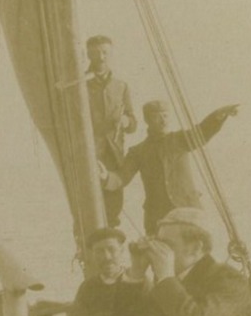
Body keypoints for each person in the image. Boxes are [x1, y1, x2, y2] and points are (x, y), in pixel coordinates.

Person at [102, 100, 239, 235]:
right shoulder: (138, 151)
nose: (163, 120)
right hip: (158, 218)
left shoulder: (180, 139)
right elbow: (121, 178)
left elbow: (202, 132)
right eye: (157, 116)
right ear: (147, 119)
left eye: (166, 115)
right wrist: (105, 176)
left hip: (189, 212)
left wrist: (218, 115)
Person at [50, 227, 162, 316]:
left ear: (121, 251)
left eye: (111, 249)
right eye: (99, 251)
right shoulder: (88, 287)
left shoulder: (140, 283)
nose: (107, 257)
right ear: (92, 254)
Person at [85, 35, 137, 227]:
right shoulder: (81, 84)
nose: (101, 57)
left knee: (113, 208)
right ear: (88, 55)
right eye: (96, 52)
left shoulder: (121, 86)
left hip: (114, 156)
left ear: (111, 54)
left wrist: (126, 121)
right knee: (87, 208)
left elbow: (133, 124)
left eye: (105, 52)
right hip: (88, 154)